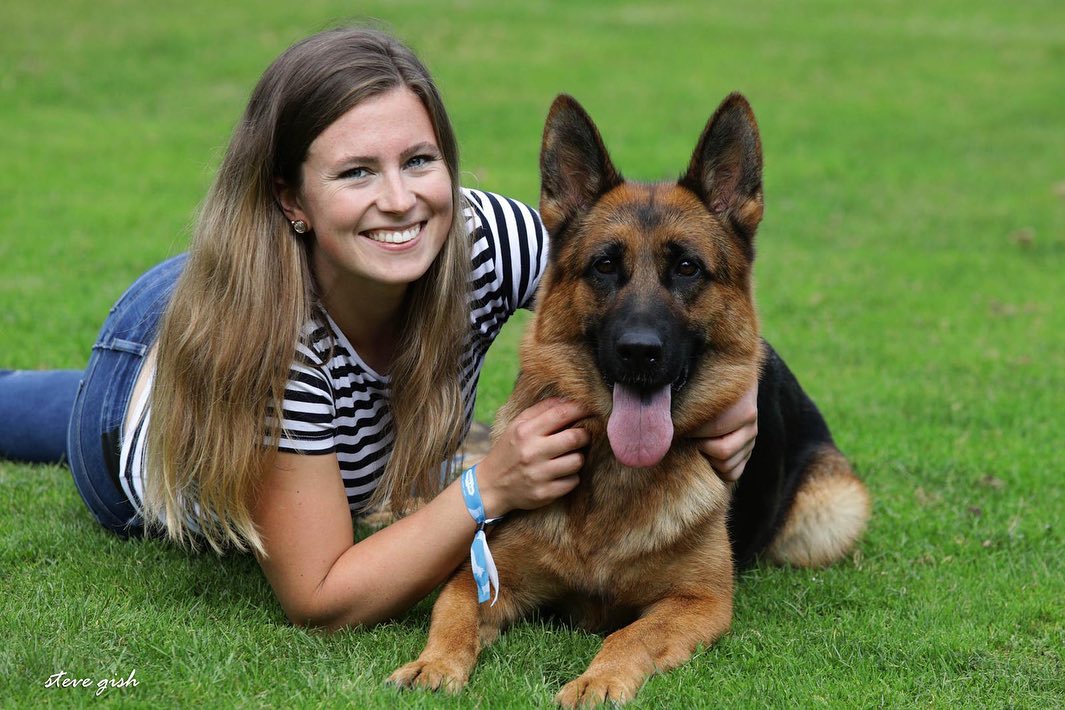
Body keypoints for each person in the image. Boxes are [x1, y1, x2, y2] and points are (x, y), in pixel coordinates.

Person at [0, 27, 757, 629]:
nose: (400, 200)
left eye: (418, 160)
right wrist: (489, 485)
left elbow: (666, 305)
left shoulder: (479, 236)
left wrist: (739, 403)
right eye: (357, 171)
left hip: (286, 276)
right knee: (38, 413)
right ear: (291, 198)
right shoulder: (272, 353)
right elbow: (322, 597)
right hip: (134, 390)